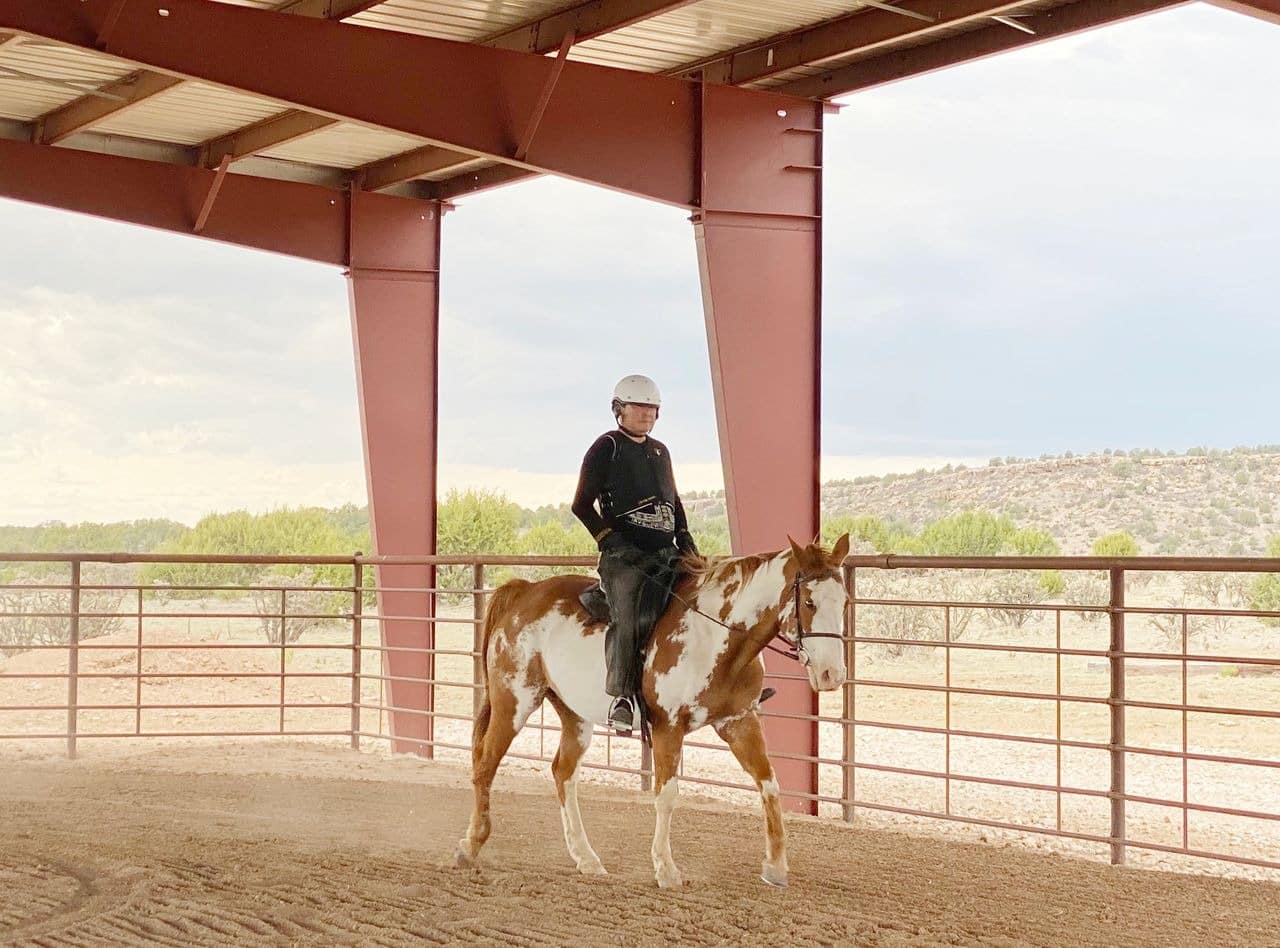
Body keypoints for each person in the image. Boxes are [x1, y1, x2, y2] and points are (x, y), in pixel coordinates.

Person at [572, 374, 698, 734]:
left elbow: (672, 501)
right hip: (623, 559)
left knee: (705, 598)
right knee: (628, 615)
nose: (646, 413)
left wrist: (685, 539)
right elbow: (581, 505)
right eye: (638, 406)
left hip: (666, 551)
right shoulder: (606, 447)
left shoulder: (661, 451)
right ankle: (623, 697)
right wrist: (611, 542)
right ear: (619, 410)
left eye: (652, 407)